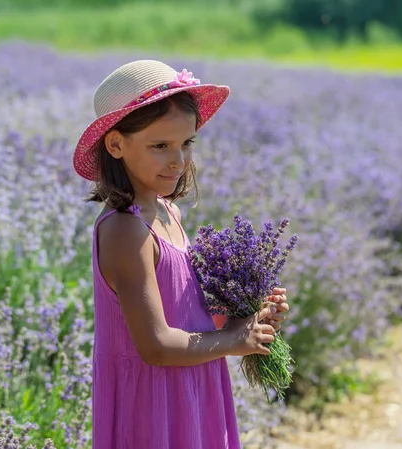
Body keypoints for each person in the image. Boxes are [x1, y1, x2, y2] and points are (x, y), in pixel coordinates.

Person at [72, 60, 291, 449]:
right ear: (116, 144)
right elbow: (155, 345)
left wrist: (246, 318)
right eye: (160, 146)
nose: (178, 160)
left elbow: (184, 310)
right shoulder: (125, 230)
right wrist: (235, 341)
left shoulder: (165, 211)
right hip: (152, 404)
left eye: (186, 143)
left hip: (190, 384)